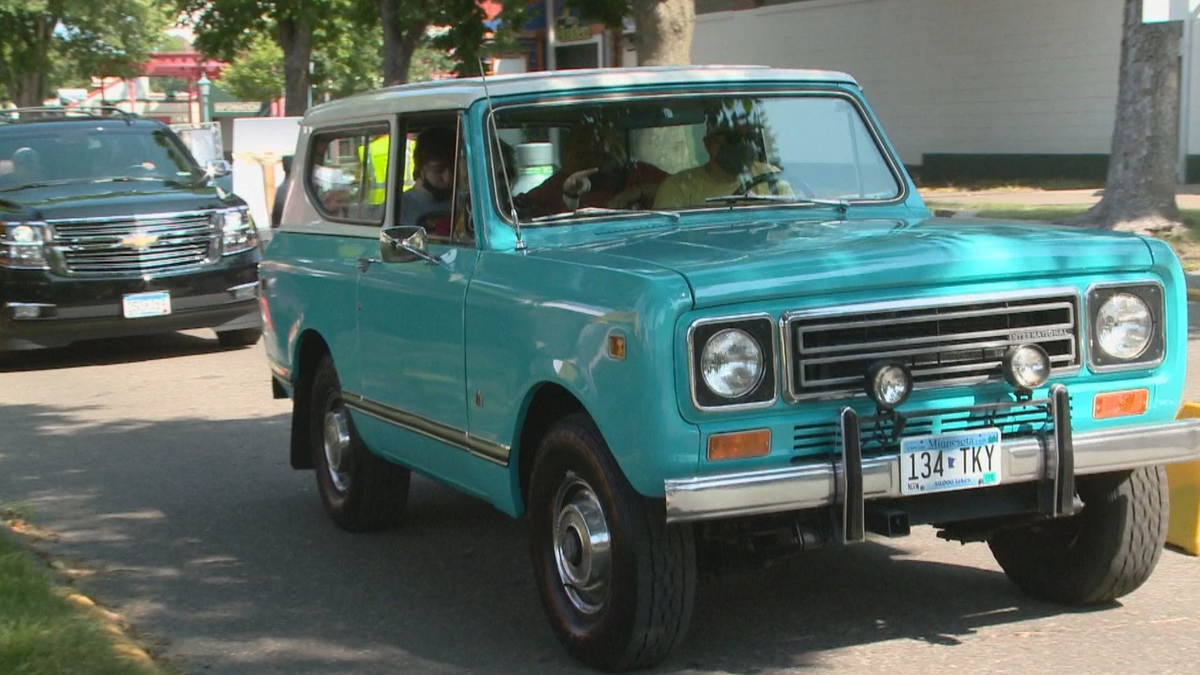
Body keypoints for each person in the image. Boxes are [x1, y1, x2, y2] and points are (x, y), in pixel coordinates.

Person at [513, 122, 668, 219]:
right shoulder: (563, 182)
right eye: (593, 145)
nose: (606, 151)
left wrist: (637, 191)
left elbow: (680, 188)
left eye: (612, 143)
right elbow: (518, 209)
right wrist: (570, 192)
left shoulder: (638, 172)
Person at [653, 104, 791, 209]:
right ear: (709, 144)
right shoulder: (678, 189)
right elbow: (665, 243)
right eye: (733, 138)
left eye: (750, 137)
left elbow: (795, 228)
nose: (743, 145)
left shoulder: (773, 179)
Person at [399, 126, 456, 234]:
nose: (449, 178)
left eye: (454, 169)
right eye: (439, 170)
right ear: (420, 167)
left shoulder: (464, 205)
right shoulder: (400, 209)